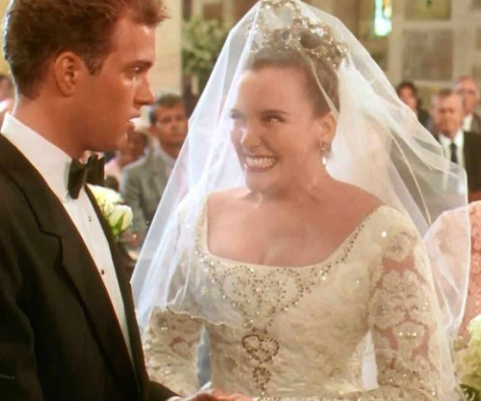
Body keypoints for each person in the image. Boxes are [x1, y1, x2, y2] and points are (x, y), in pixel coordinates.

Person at [132, 1, 468, 400]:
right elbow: (161, 353)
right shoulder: (199, 217)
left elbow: (416, 389)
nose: (247, 138)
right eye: (238, 117)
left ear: (324, 128)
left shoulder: (386, 236)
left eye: (272, 118)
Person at [0, 1, 218, 401]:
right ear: (69, 72)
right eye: (134, 71)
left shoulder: (78, 186)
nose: (147, 96)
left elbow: (112, 376)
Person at [121, 92, 188, 242]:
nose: (175, 125)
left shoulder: (205, 166)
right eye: (166, 120)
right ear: (152, 130)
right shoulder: (135, 175)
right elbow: (137, 232)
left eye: (179, 118)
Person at [431, 88, 481, 200]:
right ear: (433, 113)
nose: (447, 116)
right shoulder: (426, 147)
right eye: (442, 111)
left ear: (462, 113)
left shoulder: (478, 144)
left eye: (451, 111)